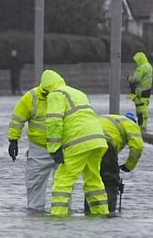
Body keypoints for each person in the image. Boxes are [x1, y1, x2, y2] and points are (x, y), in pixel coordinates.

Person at [41, 69, 110, 217]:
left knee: (63, 179)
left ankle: (58, 216)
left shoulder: (55, 95)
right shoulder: (77, 93)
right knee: (93, 180)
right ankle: (101, 215)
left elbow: (54, 121)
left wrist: (54, 148)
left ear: (46, 88)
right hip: (97, 139)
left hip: (78, 141)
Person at [7, 85, 56, 212]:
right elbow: (17, 118)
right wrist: (13, 140)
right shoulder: (32, 97)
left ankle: (60, 214)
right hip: (39, 147)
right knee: (35, 183)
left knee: (64, 186)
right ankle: (37, 214)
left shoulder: (65, 96)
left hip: (62, 146)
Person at [84, 112, 144, 215]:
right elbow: (137, 147)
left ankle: (89, 211)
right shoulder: (130, 124)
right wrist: (128, 166)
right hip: (103, 142)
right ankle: (109, 212)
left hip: (84, 143)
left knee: (93, 180)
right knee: (110, 180)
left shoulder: (109, 119)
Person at [127, 51, 153, 133]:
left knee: (140, 110)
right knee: (144, 109)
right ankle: (143, 126)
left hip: (140, 92)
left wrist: (129, 78)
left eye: (137, 60)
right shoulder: (149, 66)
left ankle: (141, 127)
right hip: (147, 91)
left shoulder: (141, 68)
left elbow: (136, 79)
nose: (136, 62)